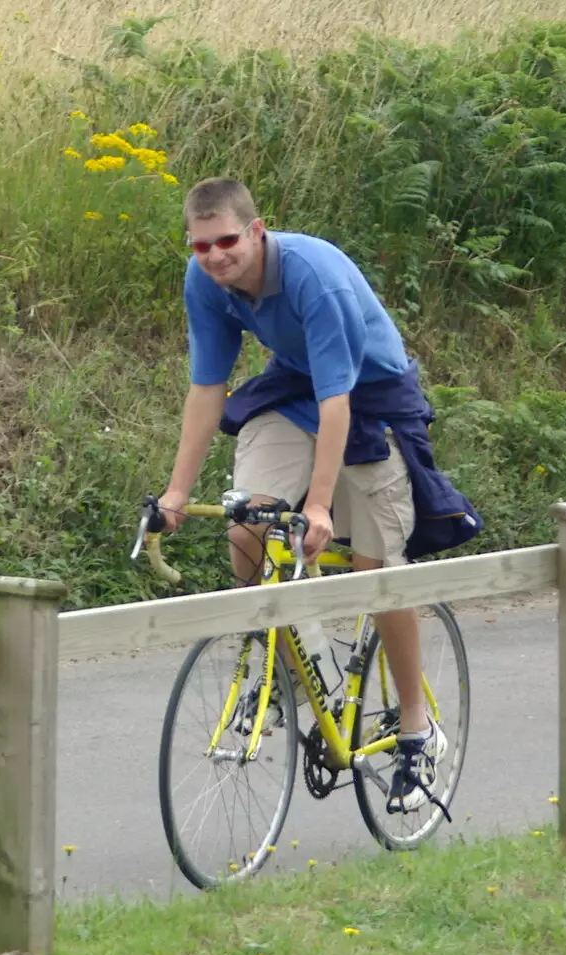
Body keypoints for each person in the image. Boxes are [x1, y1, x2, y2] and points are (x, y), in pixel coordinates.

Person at [156, 176, 479, 812]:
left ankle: (416, 728)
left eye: (226, 241)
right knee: (246, 523)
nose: (215, 256)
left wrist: (320, 504)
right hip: (297, 390)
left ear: (256, 231)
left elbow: (342, 401)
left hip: (371, 398)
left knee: (375, 574)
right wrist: (174, 493)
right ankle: (284, 662)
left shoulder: (312, 275)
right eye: (200, 246)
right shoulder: (207, 282)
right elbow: (206, 391)